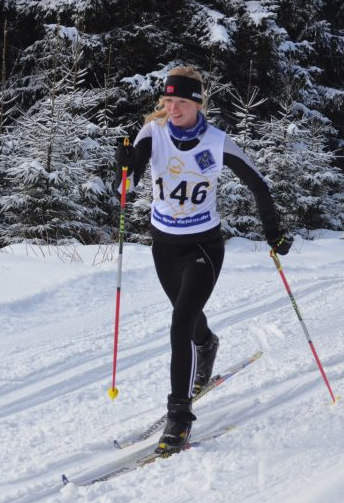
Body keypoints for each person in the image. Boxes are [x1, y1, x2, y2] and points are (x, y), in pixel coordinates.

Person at [115, 66, 292, 454]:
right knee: (188, 316)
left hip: (203, 247)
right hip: (163, 245)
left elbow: (258, 184)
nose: (172, 109)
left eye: (180, 102)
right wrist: (124, 166)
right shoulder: (153, 134)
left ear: (197, 103)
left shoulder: (216, 142)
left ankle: (179, 417)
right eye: (167, 102)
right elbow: (124, 189)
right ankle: (207, 343)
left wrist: (274, 232)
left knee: (179, 322)